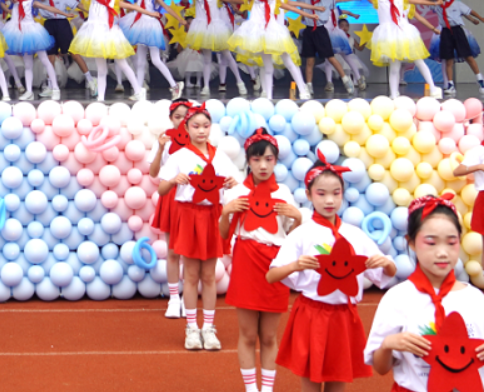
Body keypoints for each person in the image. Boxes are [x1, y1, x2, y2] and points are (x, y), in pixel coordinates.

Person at [267, 155, 397, 391]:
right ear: (308, 195)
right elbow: (271, 276)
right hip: (311, 315)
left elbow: (386, 273)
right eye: (321, 193)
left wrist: (387, 264)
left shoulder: (354, 234)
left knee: (337, 384)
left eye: (336, 193)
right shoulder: (302, 234)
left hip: (344, 318)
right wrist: (296, 265)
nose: (329, 200)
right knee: (311, 383)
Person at [365, 194, 484, 392]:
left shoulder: (476, 299)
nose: (442, 252)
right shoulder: (397, 298)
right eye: (431, 242)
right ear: (411, 242)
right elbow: (381, 368)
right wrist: (388, 344)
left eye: (451, 242)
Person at [220, 128, 302, 392]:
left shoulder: (284, 194)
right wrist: (225, 213)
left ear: (276, 160)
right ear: (248, 160)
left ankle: (267, 389)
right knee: (246, 334)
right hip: (246, 261)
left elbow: (292, 238)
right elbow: (223, 235)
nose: (263, 165)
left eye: (269, 159)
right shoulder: (235, 193)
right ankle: (251, 389)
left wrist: (298, 219)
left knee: (268, 336)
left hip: (275, 264)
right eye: (256, 159)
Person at [157, 103, 239, 351]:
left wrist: (232, 182)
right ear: (187, 128)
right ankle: (192, 328)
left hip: (213, 216)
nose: (201, 131)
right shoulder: (179, 156)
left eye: (206, 126)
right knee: (191, 275)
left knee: (209, 276)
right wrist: (173, 181)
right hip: (188, 216)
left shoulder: (219, 156)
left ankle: (209, 328)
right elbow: (162, 189)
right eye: (196, 126)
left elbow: (235, 184)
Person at [356, 0, 443, 99]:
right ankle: (393, 94)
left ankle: (432, 88)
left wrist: (435, 3)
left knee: (419, 61)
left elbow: (418, 1)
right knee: (394, 67)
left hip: (404, 33)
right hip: (389, 35)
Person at [228, 0, 313, 100]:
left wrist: (310, 15)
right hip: (260, 35)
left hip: (275, 33)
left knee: (289, 61)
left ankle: (302, 91)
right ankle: (268, 97)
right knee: (267, 68)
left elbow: (292, 8)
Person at [69, 0, 148, 102]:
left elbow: (132, 6)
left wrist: (150, 13)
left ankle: (139, 91)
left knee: (123, 64)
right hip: (96, 37)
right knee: (101, 70)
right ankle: (101, 98)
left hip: (111, 36)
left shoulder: (113, 1)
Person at [148, 98, 192, 318]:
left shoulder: (199, 140)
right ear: (171, 118)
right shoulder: (164, 139)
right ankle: (174, 299)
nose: (181, 120)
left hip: (193, 198)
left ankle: (187, 299)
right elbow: (154, 173)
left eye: (186, 116)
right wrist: (160, 148)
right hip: (171, 196)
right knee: (173, 252)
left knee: (191, 253)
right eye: (177, 117)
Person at [2, 0, 69, 101]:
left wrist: (64, 14)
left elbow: (48, 8)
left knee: (45, 60)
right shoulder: (15, 0)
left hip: (33, 33)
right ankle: (29, 91)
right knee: (28, 65)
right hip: (20, 33)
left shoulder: (32, 2)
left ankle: (55, 88)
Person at [122, 0, 185, 99]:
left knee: (155, 59)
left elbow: (167, 8)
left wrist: (180, 19)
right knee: (140, 61)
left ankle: (175, 85)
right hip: (139, 26)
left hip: (151, 27)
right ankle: (138, 91)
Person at [183, 0, 246, 96]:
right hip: (203, 29)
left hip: (216, 29)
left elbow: (230, 0)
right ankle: (206, 86)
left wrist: (248, 2)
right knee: (207, 59)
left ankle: (240, 82)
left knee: (227, 55)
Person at [38, 0, 97, 96]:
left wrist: (95, 12)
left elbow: (78, 5)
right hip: (48, 24)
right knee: (50, 56)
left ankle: (91, 81)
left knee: (73, 52)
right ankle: (50, 86)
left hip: (62, 24)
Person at [291, 0, 357, 95]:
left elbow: (341, 0)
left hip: (321, 31)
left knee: (330, 57)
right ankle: (309, 86)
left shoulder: (326, 2)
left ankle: (346, 80)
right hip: (309, 31)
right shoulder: (305, 0)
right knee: (310, 61)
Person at [428, 0, 484, 96]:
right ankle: (450, 85)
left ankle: (480, 80)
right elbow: (422, 1)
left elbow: (470, 11)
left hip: (457, 30)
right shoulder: (437, 5)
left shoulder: (456, 4)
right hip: (445, 32)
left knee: (468, 56)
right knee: (449, 59)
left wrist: (480, 18)